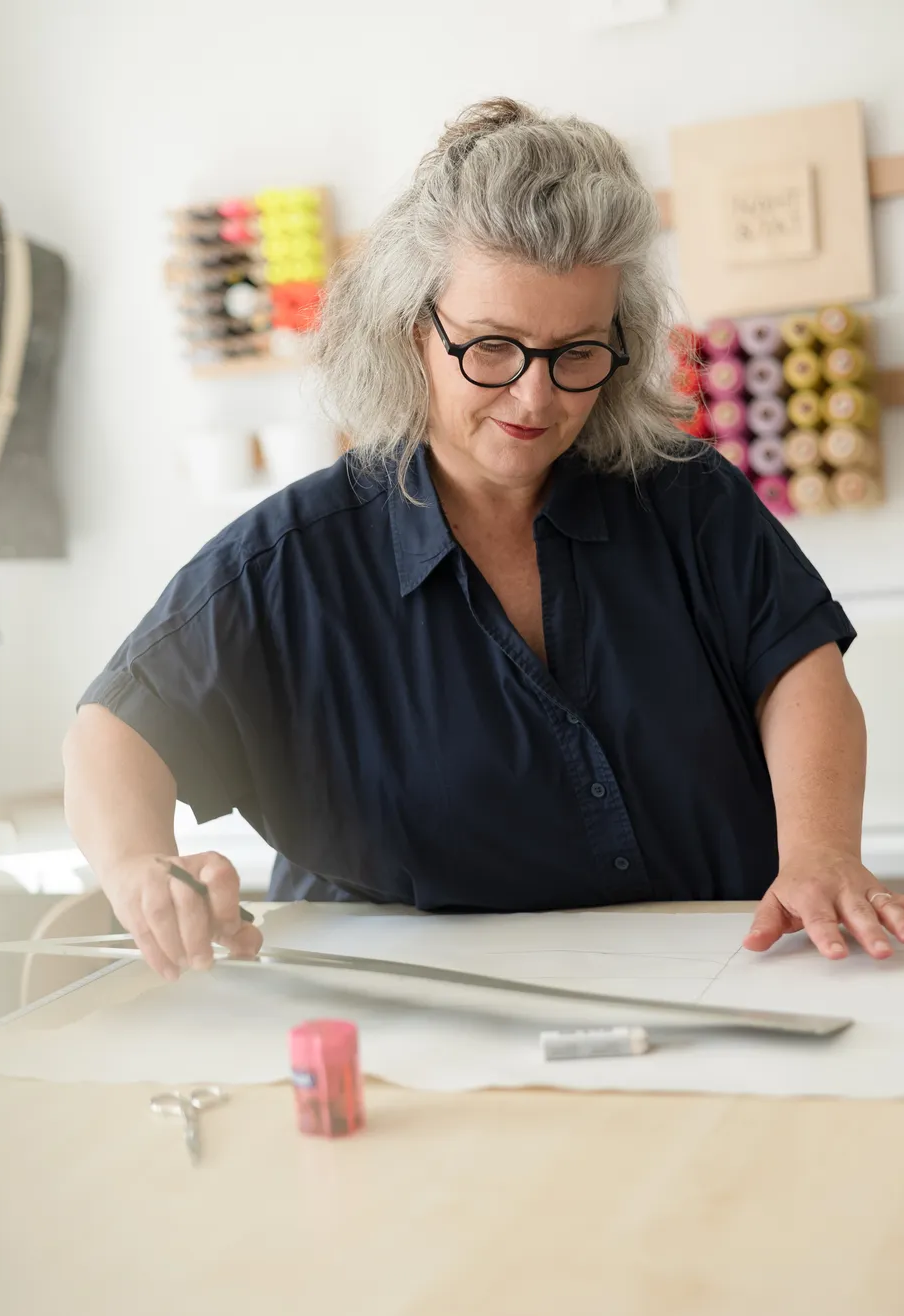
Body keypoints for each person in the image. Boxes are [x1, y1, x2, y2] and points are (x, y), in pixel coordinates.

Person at [63, 97, 902, 982]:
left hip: (727, 978)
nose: (536, 400)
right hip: (413, 1025)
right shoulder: (289, 564)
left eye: (578, 352)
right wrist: (135, 865)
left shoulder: (688, 496)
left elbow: (799, 671)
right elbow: (117, 728)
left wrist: (820, 849)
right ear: (412, 329)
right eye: (493, 349)